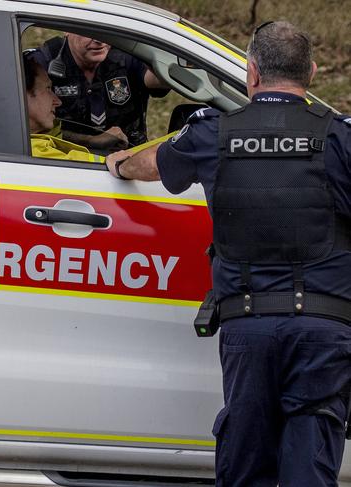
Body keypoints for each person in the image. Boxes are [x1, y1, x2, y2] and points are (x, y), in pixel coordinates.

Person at [105, 21, 351, 487]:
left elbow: (151, 164)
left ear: (251, 73)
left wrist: (116, 160)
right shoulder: (340, 139)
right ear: (313, 73)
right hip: (324, 331)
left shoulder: (213, 133)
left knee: (244, 462)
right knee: (310, 465)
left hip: (248, 328)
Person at [30, 33, 169, 151]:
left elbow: (162, 79)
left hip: (130, 161)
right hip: (65, 164)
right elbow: (27, 128)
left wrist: (146, 51)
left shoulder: (127, 54)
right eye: (88, 31)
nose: (99, 40)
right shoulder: (40, 64)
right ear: (67, 30)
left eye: (104, 31)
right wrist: (90, 140)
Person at [24, 54, 104, 163]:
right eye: (48, 88)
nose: (58, 101)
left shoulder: (23, 144)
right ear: (22, 95)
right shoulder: (35, 153)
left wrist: (91, 140)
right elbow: (112, 166)